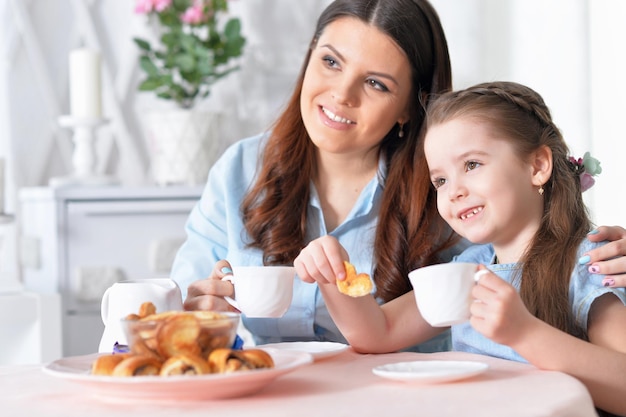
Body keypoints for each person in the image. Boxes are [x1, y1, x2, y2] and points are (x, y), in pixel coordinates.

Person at [172, 0, 626, 349]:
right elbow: (178, 311)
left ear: (411, 107)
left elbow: (527, 249)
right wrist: (194, 310)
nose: (342, 94)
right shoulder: (239, 170)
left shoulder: (448, 203)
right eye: (331, 61)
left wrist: (591, 246)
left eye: (376, 83)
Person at [295, 81, 626, 416]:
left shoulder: (591, 263)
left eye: (471, 165)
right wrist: (333, 275)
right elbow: (379, 332)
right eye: (440, 180)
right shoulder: (470, 269)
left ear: (537, 166)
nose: (453, 192)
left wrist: (525, 333)